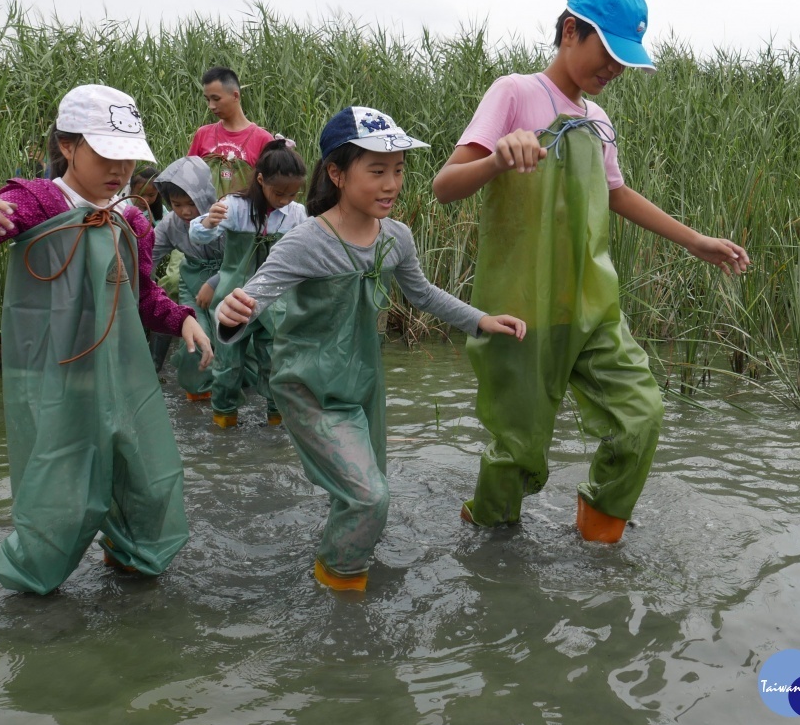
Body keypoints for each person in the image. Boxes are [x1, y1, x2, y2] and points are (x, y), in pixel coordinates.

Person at [432, 0, 750, 542]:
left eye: (625, 62)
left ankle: (599, 536)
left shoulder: (599, 120)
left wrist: (695, 240)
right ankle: (488, 538)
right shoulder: (515, 92)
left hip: (591, 304)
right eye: (609, 54)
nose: (616, 71)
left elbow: (617, 195)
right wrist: (500, 159)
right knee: (517, 451)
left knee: (640, 415)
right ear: (570, 31)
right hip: (522, 307)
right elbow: (445, 185)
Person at [0, 84, 215, 595]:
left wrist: (183, 318)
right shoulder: (33, 203)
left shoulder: (133, 220)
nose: (120, 169)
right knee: (61, 496)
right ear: (68, 145)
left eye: (128, 157)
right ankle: (32, 593)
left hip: (122, 374)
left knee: (148, 479)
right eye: (107, 153)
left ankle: (132, 567)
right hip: (55, 377)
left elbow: (143, 298)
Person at [217, 107, 526, 592]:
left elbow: (422, 294)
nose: (391, 184)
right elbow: (254, 298)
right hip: (310, 385)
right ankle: (339, 596)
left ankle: (341, 579)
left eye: (399, 171)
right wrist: (229, 312)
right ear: (337, 174)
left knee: (363, 493)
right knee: (368, 497)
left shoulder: (396, 238)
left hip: (364, 384)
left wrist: (482, 320)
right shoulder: (305, 241)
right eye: (377, 170)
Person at [191, 138, 307, 427]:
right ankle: (224, 423)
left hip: (277, 302)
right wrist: (208, 222)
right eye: (279, 192)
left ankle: (276, 428)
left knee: (276, 363)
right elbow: (198, 235)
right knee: (228, 366)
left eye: (293, 194)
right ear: (260, 179)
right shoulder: (235, 206)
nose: (285, 200)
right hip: (233, 299)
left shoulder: (297, 213)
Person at [151, 155, 226, 401]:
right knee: (194, 337)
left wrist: (215, 282)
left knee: (227, 339)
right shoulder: (170, 224)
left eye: (190, 204)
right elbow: (147, 255)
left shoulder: (226, 215)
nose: (184, 211)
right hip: (191, 282)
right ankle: (197, 395)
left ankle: (227, 395)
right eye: (176, 203)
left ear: (204, 197)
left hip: (228, 280)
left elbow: (244, 260)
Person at [187, 66, 275, 197]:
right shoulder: (202, 134)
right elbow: (188, 179)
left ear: (235, 95)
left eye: (216, 99)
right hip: (207, 216)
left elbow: (271, 188)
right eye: (207, 99)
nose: (211, 106)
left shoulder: (263, 139)